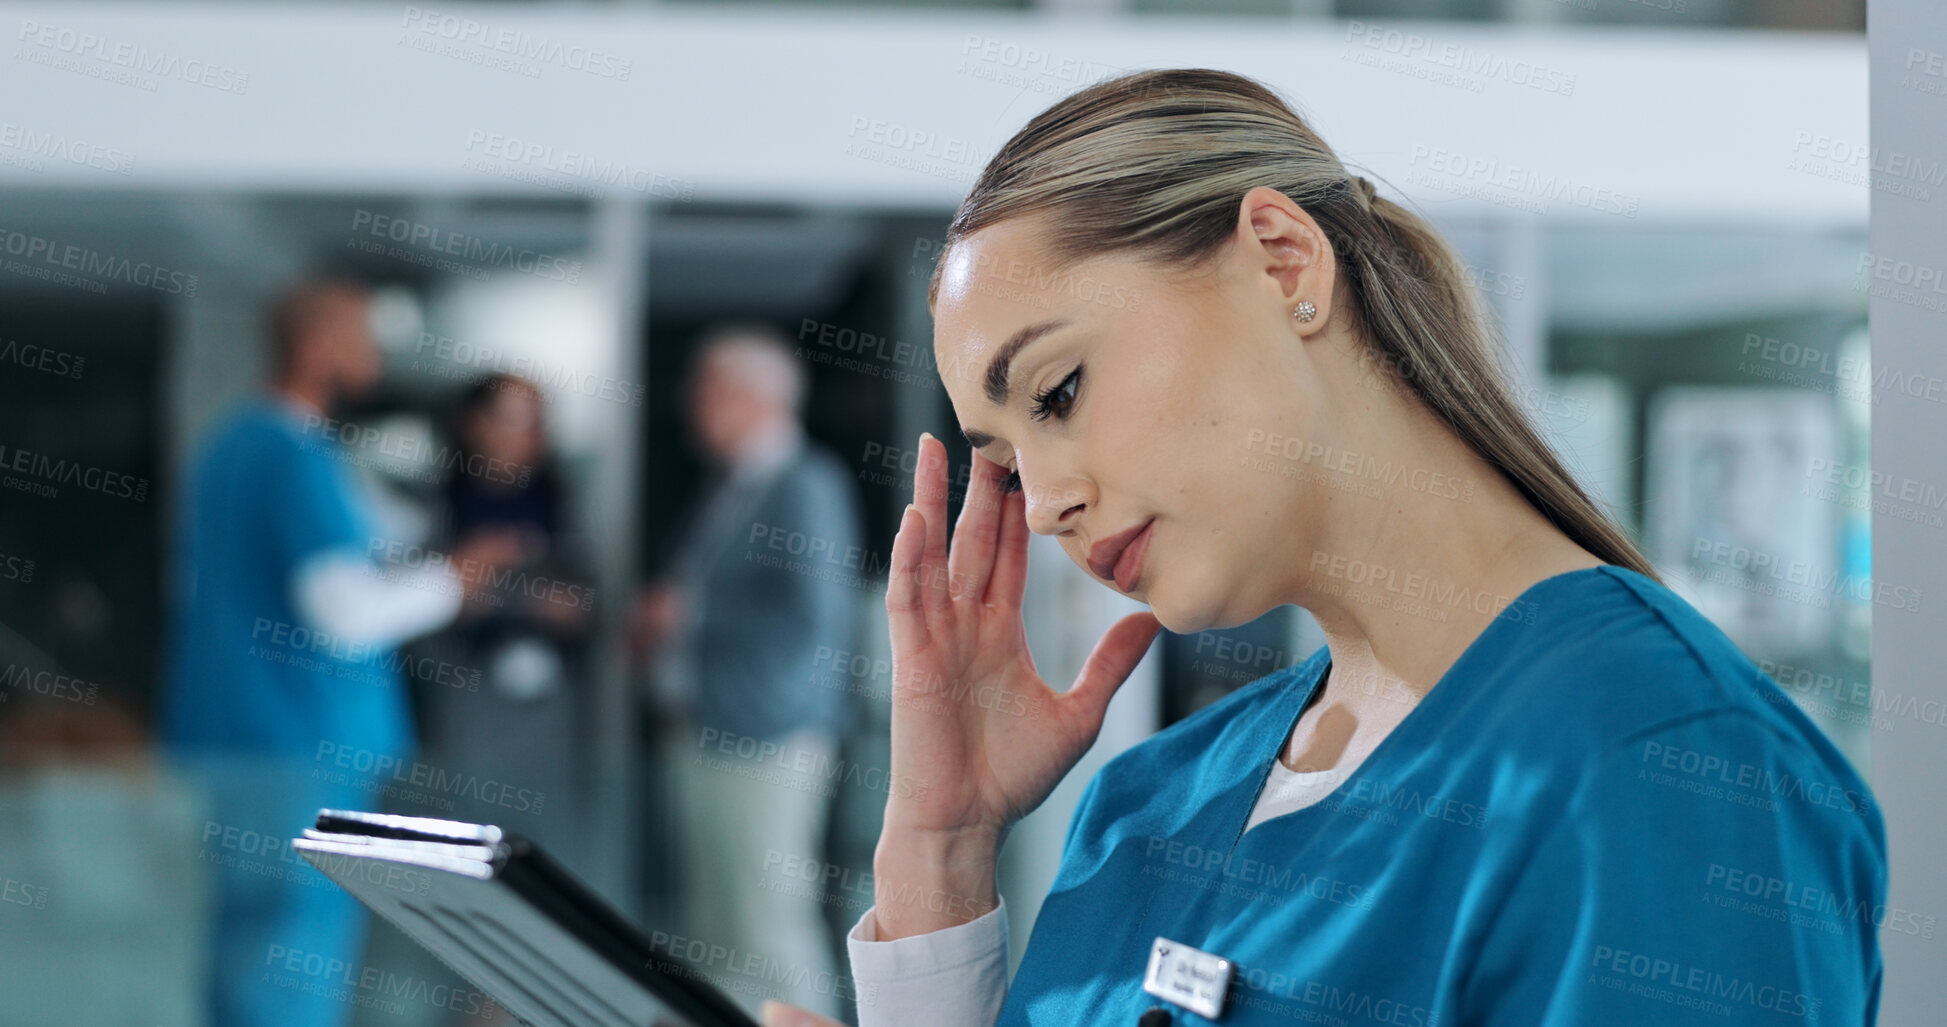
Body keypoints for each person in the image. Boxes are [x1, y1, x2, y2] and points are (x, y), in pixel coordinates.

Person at [758, 69, 1885, 1027]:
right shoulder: (1146, 806)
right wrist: (943, 849)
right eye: (1004, 459)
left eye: (1058, 390)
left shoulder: (1670, 766)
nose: (1044, 502)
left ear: (1285, 262)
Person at [161, 277, 518, 1027]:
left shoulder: (231, 447)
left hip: (238, 745)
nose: (373, 357)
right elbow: (345, 613)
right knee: (289, 973)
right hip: (297, 751)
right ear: (318, 343)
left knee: (242, 963)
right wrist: (455, 580)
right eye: (360, 338)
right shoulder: (291, 453)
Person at [633, 323, 864, 1022]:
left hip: (763, 735)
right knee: (720, 928)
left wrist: (687, 613)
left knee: (767, 926)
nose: (689, 405)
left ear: (749, 395)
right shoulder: (738, 483)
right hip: (708, 730)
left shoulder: (805, 483)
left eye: (703, 389)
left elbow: (810, 620)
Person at [412, 372, 593, 861]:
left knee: (548, 855)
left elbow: (585, 605)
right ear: (470, 423)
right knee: (465, 851)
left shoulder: (564, 504)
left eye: (535, 422)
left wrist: (496, 585)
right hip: (465, 709)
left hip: (550, 717)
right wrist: (522, 596)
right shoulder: (435, 505)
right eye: (512, 420)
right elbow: (426, 606)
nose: (527, 435)